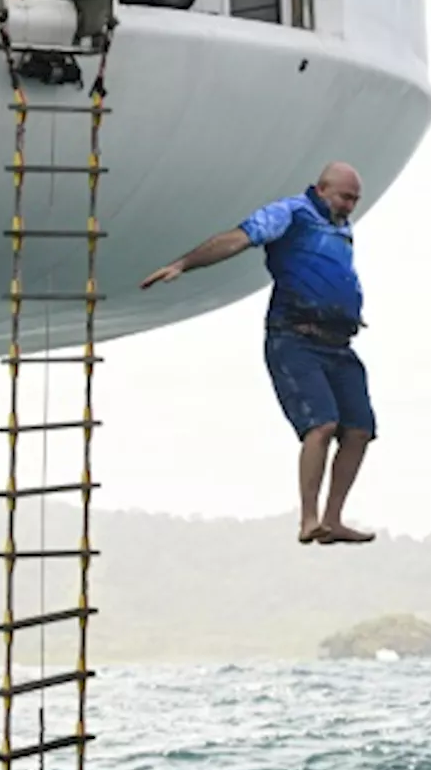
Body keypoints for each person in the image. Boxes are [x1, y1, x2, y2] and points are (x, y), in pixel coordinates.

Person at [140, 161, 377, 546]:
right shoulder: (292, 213)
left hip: (339, 341)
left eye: (355, 199)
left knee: (360, 429)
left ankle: (333, 519)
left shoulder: (340, 226)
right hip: (295, 337)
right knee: (322, 425)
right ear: (321, 190)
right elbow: (239, 238)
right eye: (345, 197)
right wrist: (184, 263)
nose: (351, 205)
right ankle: (309, 518)